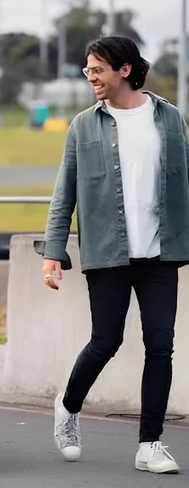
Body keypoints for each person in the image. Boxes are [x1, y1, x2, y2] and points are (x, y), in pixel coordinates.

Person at [36, 35, 189, 475]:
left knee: (161, 346)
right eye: (88, 71)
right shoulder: (84, 125)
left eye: (97, 70)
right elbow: (63, 193)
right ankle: (67, 407)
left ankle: (150, 444)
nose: (91, 78)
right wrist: (52, 252)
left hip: (160, 255)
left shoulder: (169, 118)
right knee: (107, 341)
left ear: (124, 69)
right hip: (108, 253)